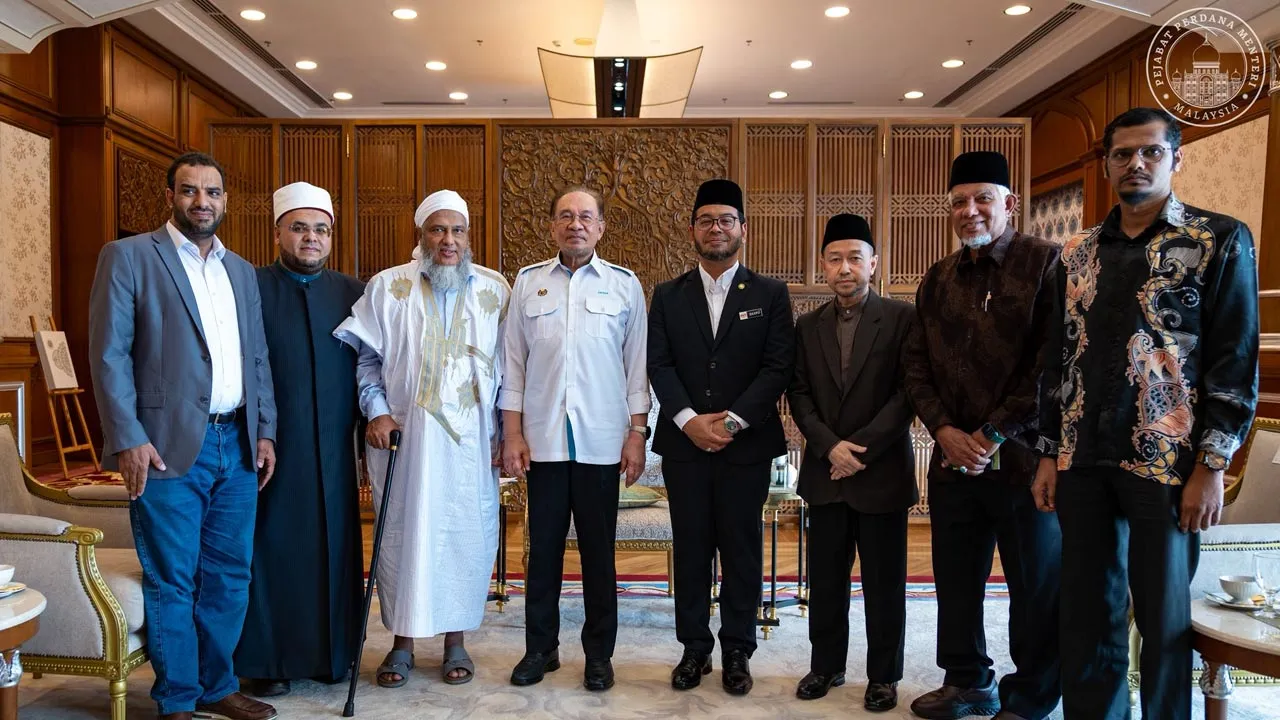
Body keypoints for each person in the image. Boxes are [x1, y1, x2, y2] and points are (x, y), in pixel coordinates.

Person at [1033, 107, 1258, 720]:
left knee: (1162, 617)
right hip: (1081, 457)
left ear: (1175, 159)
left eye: (1151, 152)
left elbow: (1234, 363)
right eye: (1123, 154)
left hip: (1169, 461)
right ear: (1107, 164)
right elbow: (1057, 361)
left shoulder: (1218, 239)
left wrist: (1212, 465)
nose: (1136, 164)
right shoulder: (1075, 252)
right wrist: (1050, 452)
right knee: (1086, 610)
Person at [88, 151, 278, 720]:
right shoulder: (128, 257)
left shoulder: (240, 270)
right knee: (174, 577)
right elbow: (108, 354)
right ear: (170, 196)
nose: (202, 202)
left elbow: (257, 358)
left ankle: (217, 687)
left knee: (229, 575)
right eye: (190, 191)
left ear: (225, 200)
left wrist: (264, 430)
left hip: (237, 444)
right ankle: (177, 700)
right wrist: (128, 436)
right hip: (164, 446)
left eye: (212, 192)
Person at [902, 151, 1062, 720]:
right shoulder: (939, 277)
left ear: (1009, 204)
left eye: (982, 199)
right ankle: (967, 680)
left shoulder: (1046, 265)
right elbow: (915, 365)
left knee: (1034, 585)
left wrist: (993, 433)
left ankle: (1035, 695)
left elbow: (1052, 366)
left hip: (1024, 463)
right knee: (957, 580)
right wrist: (943, 430)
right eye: (959, 202)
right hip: (952, 462)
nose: (970, 211)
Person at [334, 189, 511, 687]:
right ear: (422, 236)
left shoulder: (495, 289)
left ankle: (456, 641)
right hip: (406, 444)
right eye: (437, 230)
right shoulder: (388, 287)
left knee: (463, 535)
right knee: (405, 535)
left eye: (457, 230)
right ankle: (402, 644)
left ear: (469, 236)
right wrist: (377, 411)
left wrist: (506, 432)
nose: (448, 240)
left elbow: (510, 369)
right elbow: (366, 361)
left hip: (472, 445)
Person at [647, 178, 795, 696]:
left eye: (726, 219)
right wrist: (689, 420)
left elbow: (777, 368)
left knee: (740, 548)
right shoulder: (667, 295)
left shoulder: (771, 294)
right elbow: (659, 365)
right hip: (684, 446)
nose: (716, 228)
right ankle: (694, 649)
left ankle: (737, 649)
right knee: (690, 547)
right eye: (707, 219)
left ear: (743, 230)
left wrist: (731, 422)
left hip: (745, 446)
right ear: (692, 229)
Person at [501, 185, 649, 692]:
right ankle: (540, 649)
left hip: (602, 443)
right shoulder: (527, 284)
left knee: (597, 555)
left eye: (586, 216)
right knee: (541, 553)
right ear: (552, 226)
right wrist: (512, 432)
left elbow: (637, 371)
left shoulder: (625, 286)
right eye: (565, 215)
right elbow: (512, 367)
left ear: (601, 228)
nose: (576, 224)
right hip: (542, 443)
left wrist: (636, 434)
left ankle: (598, 655)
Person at [234, 182, 365, 697]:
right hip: (270, 443)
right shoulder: (250, 285)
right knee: (270, 548)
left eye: (321, 229)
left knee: (334, 547)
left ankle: (333, 656)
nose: (311, 238)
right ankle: (267, 661)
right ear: (278, 233)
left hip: (335, 445)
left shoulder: (353, 292)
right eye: (300, 228)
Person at [787, 214, 916, 712]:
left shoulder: (902, 318)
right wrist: (829, 448)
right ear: (823, 265)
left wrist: (857, 449)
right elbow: (797, 394)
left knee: (884, 583)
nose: (845, 268)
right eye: (835, 259)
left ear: (873, 264)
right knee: (825, 580)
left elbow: (908, 393)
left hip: (880, 472)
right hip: (825, 473)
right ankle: (826, 665)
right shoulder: (807, 326)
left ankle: (883, 675)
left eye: (855, 258)